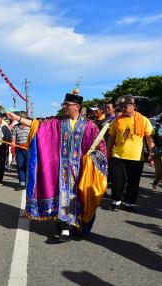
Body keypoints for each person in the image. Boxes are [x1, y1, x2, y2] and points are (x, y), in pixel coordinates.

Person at [13, 89, 108, 242]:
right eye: (64, 104)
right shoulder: (57, 122)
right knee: (64, 197)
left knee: (81, 199)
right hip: (62, 171)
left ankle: (78, 226)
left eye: (67, 104)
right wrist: (18, 118)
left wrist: (91, 160)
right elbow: (38, 126)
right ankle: (65, 230)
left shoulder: (90, 126)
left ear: (77, 106)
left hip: (82, 170)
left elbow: (100, 148)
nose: (64, 107)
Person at [107, 95, 154, 212]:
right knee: (118, 180)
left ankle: (129, 203)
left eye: (125, 106)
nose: (122, 108)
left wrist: (152, 154)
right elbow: (111, 138)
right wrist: (107, 152)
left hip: (136, 157)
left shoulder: (143, 120)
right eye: (121, 106)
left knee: (133, 182)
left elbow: (149, 139)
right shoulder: (117, 121)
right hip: (118, 155)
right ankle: (116, 199)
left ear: (133, 106)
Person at [8, 112, 30, 187]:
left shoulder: (30, 127)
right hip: (19, 149)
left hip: (28, 149)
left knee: (28, 166)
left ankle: (29, 183)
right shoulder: (15, 127)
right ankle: (22, 183)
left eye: (19, 117)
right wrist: (13, 144)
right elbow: (13, 138)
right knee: (20, 166)